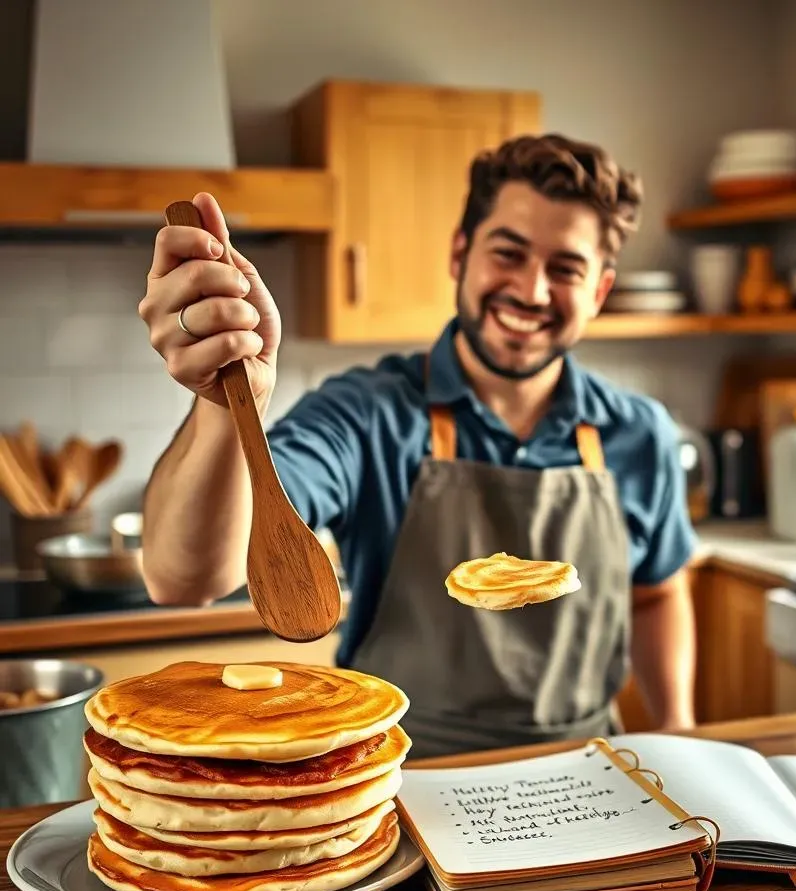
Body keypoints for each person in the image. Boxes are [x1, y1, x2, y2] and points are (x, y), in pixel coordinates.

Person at [137, 132, 699, 758]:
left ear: (598, 292)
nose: (533, 291)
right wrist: (227, 403)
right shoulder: (366, 414)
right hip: (399, 780)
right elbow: (184, 577)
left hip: (592, 775)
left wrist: (678, 730)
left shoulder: (640, 433)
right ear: (460, 254)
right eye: (508, 253)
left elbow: (657, 593)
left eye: (565, 269)